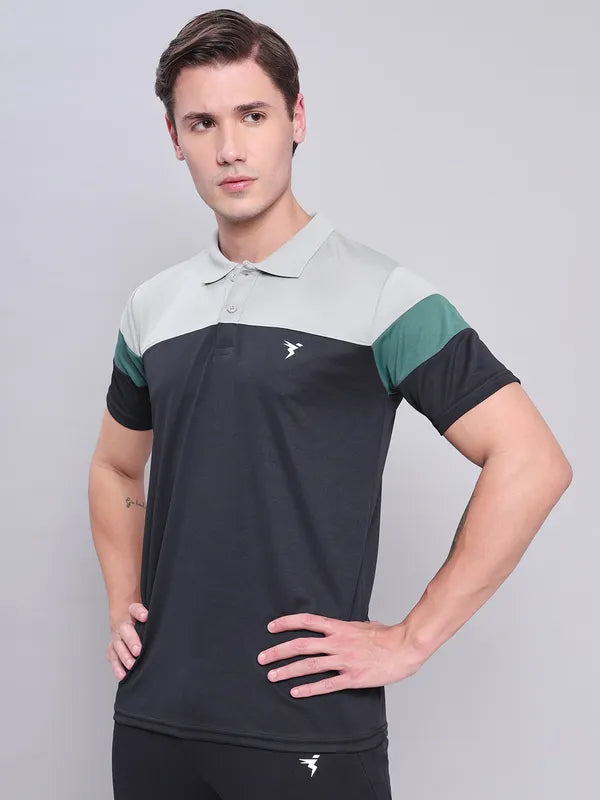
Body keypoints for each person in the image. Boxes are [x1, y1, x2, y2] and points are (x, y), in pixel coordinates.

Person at [88, 9, 573, 800]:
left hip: (305, 727)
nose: (230, 148)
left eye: (253, 115)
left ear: (297, 119)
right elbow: (115, 468)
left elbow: (532, 461)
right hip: (154, 723)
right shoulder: (153, 307)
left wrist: (411, 638)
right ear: (175, 138)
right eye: (202, 123)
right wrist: (122, 601)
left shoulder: (382, 296)